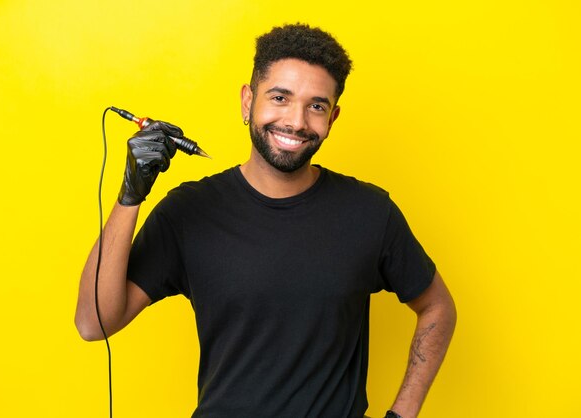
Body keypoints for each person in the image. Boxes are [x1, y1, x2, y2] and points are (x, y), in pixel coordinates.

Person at [75, 23, 457, 418]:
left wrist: (403, 413)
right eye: (280, 97)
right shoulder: (189, 212)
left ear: (333, 117)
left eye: (317, 105)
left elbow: (438, 308)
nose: (296, 121)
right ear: (247, 101)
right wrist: (130, 194)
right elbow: (93, 322)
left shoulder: (370, 212)